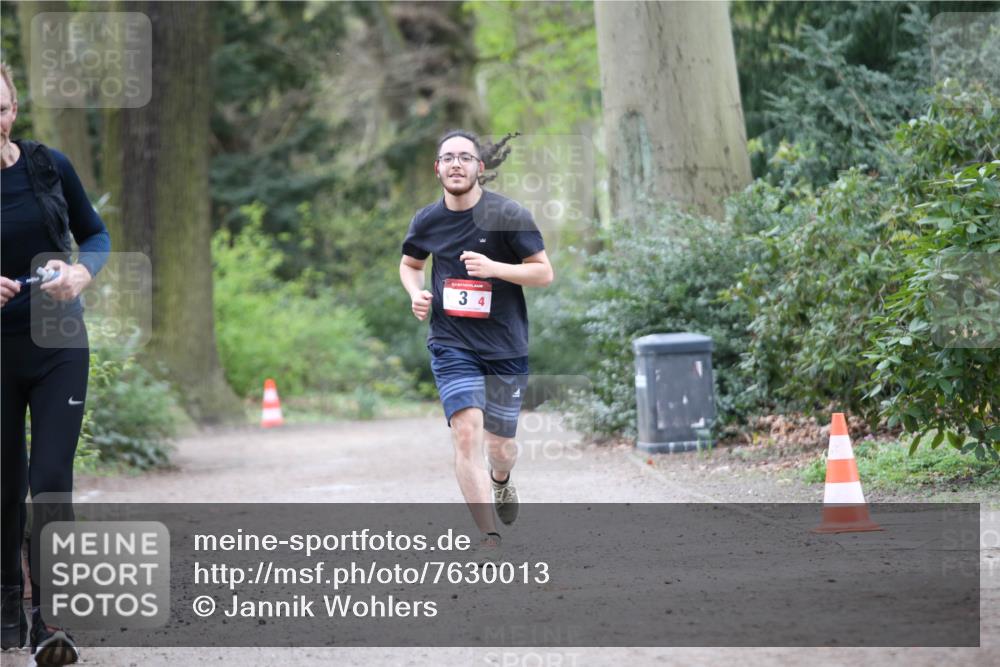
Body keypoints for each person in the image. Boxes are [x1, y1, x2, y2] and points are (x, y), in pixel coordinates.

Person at [1, 62, 110, 664]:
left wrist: (81, 272)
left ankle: (51, 621)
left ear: (13, 111)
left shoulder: (49, 165)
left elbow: (95, 233)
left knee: (49, 481)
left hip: (56, 343)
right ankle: (5, 611)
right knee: (3, 485)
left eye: (1, 107)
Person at [399, 129, 553, 556]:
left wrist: (495, 268)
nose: (455, 164)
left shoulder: (509, 215)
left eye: (465, 157)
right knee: (465, 433)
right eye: (447, 158)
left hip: (505, 345)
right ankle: (488, 535)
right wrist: (416, 293)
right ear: (437, 169)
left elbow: (543, 273)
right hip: (452, 343)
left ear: (479, 167)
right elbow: (410, 263)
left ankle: (501, 480)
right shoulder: (427, 220)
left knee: (500, 448)